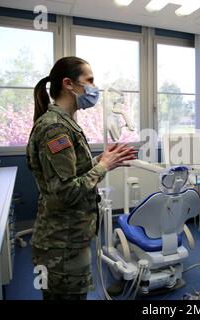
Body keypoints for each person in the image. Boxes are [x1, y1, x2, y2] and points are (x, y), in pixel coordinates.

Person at [26, 56, 137, 300]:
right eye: (89, 80)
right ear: (68, 84)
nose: (93, 87)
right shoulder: (55, 128)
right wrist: (103, 167)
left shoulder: (66, 124)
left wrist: (100, 160)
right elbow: (66, 192)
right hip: (61, 245)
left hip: (71, 238)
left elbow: (73, 171)